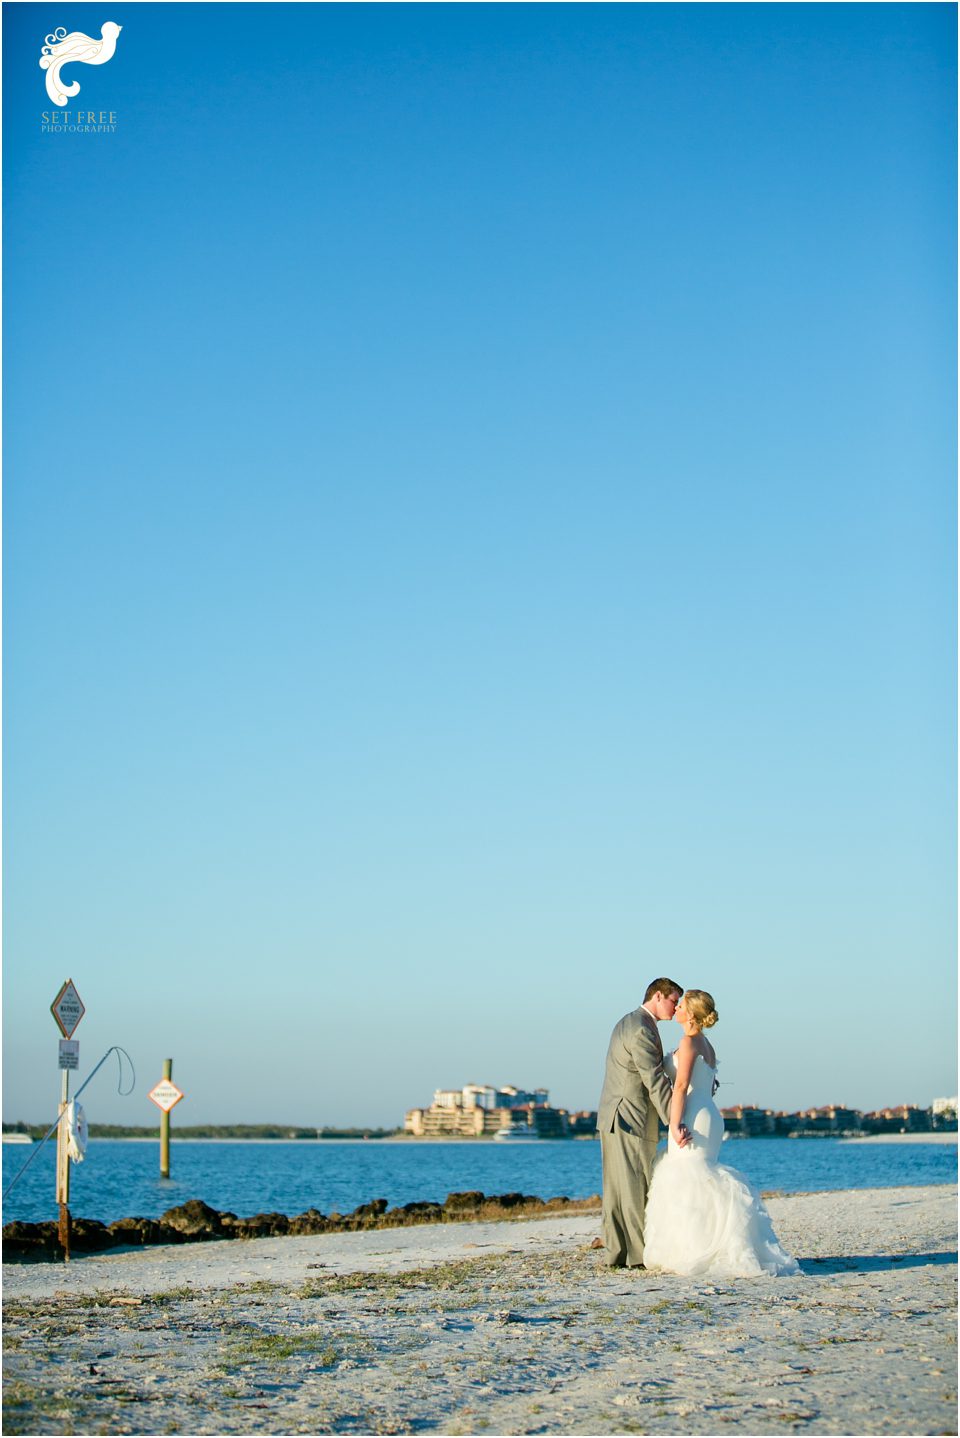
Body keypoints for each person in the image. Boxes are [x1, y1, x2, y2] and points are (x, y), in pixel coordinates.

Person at [642, 989, 799, 1277]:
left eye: (681, 1005)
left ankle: (696, 1249)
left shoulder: (689, 1042)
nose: (675, 1008)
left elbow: (679, 1087)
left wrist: (674, 1123)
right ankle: (704, 1244)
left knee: (688, 1177)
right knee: (699, 1176)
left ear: (689, 1014)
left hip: (692, 1113)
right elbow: (709, 1084)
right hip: (709, 1112)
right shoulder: (706, 1044)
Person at [596, 977, 691, 1267]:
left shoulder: (628, 1021)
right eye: (674, 1000)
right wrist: (674, 1122)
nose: (676, 1008)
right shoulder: (641, 1029)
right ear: (659, 996)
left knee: (617, 1189)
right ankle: (638, 1256)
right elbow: (654, 1082)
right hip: (630, 1118)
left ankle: (617, 1253)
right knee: (635, 1186)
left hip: (614, 1116)